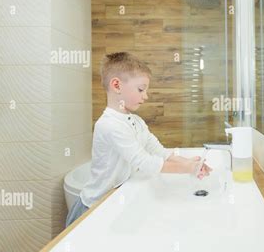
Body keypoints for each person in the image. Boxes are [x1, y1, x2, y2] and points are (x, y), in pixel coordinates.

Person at [66, 52, 212, 227]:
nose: (146, 96)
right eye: (141, 89)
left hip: (111, 202)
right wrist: (188, 168)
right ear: (116, 85)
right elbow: (145, 163)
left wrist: (189, 162)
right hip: (92, 209)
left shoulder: (136, 121)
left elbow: (159, 152)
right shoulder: (109, 125)